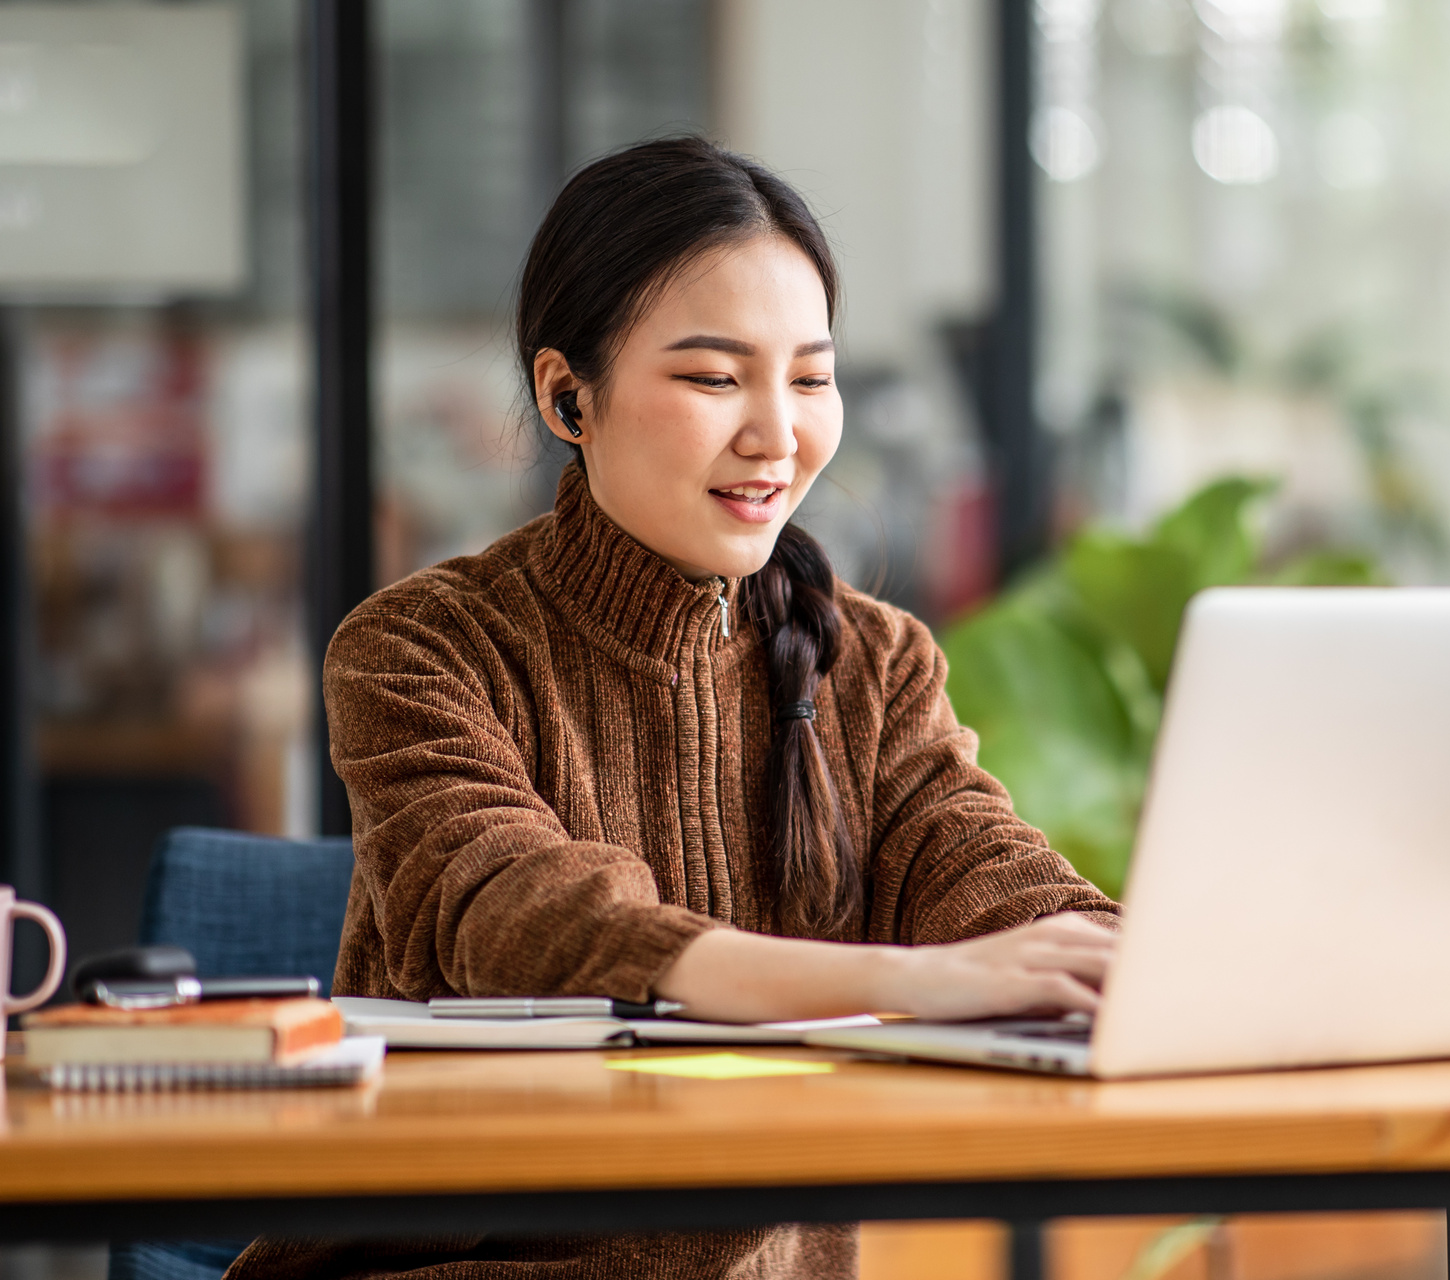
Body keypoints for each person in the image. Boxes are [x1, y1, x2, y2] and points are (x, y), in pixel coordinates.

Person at [227, 137, 1118, 1280]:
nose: (777, 433)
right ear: (567, 395)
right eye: (713, 377)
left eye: (809, 376)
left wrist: (1135, 958)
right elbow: (528, 921)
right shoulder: (421, 648)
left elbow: (992, 877)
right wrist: (901, 981)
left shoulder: (877, 663)